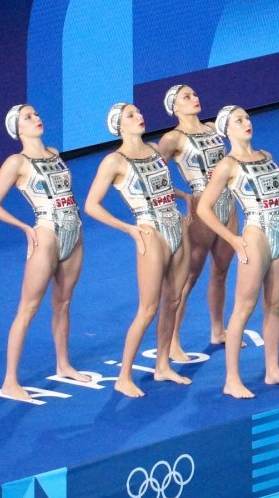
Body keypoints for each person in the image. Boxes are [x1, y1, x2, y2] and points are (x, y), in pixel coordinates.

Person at [84, 103, 192, 397]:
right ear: (119, 125)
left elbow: (162, 188)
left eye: (139, 112)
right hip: (150, 232)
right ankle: (123, 376)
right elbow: (91, 205)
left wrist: (183, 199)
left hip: (176, 228)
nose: (139, 116)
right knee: (148, 309)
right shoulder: (113, 161)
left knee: (174, 300)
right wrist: (129, 229)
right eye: (131, 115)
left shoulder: (156, 150)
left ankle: (162, 365)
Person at [0, 104, 90, 402]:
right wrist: (25, 228)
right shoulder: (16, 162)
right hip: (45, 234)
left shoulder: (55, 154)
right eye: (27, 118)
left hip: (75, 231)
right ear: (17, 129)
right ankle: (10, 381)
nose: (36, 119)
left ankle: (63, 364)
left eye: (36, 114)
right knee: (28, 308)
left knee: (64, 302)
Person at [197, 105, 279, 398]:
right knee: (243, 309)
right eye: (238, 120)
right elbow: (204, 208)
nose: (246, 123)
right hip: (255, 234)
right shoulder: (227, 165)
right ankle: (232, 379)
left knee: (275, 306)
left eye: (247, 118)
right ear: (226, 130)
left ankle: (273, 370)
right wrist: (232, 238)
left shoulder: (267, 156)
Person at [158, 85, 238, 359]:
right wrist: (181, 197)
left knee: (221, 270)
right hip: (201, 208)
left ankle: (218, 329)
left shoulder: (212, 128)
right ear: (174, 107)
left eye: (195, 94)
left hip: (228, 203)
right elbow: (154, 176)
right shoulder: (172, 138)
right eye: (187, 97)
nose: (195, 98)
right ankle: (173, 341)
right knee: (188, 277)